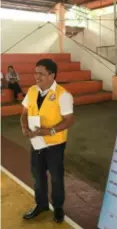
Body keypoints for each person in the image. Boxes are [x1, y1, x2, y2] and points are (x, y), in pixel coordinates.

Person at [20, 59, 74, 223]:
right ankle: (41, 204)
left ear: (52, 75)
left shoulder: (63, 95)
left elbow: (69, 120)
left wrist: (49, 131)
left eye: (41, 74)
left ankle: (58, 207)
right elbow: (24, 113)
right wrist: (24, 126)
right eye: (35, 73)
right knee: (37, 176)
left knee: (56, 177)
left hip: (54, 145)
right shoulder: (31, 91)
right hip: (36, 143)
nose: (37, 77)